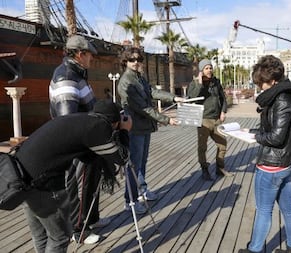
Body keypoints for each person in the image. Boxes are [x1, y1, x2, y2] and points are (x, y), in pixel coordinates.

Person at [15, 100, 131, 253]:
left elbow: (85, 156)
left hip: (21, 175)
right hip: (43, 184)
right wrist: (124, 131)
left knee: (41, 234)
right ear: (114, 122)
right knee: (60, 237)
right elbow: (122, 159)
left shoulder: (82, 120)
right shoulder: (99, 127)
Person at [239, 55, 291, 253]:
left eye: (261, 83)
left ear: (272, 81)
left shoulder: (282, 100)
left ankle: (255, 249)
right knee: (287, 207)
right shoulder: (288, 94)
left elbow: (277, 137)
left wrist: (255, 137)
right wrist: (252, 132)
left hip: (273, 164)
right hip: (286, 163)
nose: (260, 87)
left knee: (264, 210)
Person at [49, 35, 108, 244]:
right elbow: (68, 121)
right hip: (77, 146)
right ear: (80, 54)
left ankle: (91, 218)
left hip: (88, 143)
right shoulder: (66, 76)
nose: (92, 58)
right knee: (77, 185)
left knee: (91, 180)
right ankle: (78, 230)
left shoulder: (77, 73)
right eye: (90, 54)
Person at [117, 47, 184, 213]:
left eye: (139, 59)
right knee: (134, 165)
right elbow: (142, 108)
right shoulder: (126, 82)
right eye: (132, 60)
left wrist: (173, 97)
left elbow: (152, 92)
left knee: (142, 162)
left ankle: (142, 190)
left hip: (144, 127)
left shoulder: (139, 77)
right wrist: (167, 120)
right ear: (125, 61)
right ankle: (130, 201)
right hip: (135, 128)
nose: (136, 62)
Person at [187, 59, 233, 180]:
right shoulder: (194, 83)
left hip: (216, 119)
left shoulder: (216, 82)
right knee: (202, 147)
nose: (209, 70)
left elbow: (222, 98)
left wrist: (223, 111)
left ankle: (220, 168)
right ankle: (204, 169)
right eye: (206, 68)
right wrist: (200, 83)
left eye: (210, 68)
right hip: (203, 119)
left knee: (222, 144)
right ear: (202, 70)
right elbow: (192, 98)